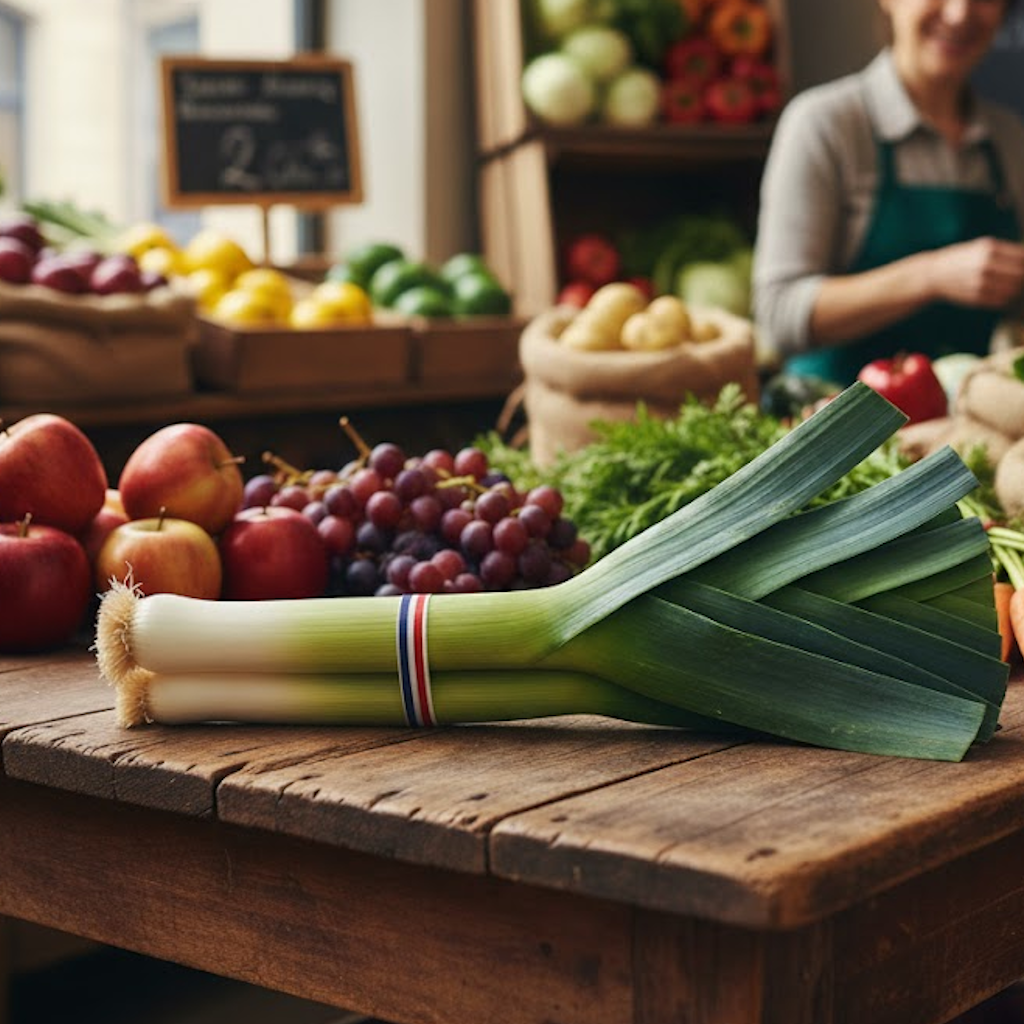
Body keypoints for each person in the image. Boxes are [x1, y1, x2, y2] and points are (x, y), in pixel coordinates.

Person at [753, 0, 1024, 384]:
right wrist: (932, 274)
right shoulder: (826, 124)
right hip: (834, 422)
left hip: (965, 426)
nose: (960, 13)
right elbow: (779, 315)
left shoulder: (1009, 139)